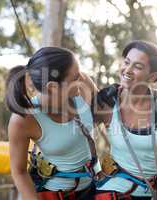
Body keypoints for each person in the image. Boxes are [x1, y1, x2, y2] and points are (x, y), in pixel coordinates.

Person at [6, 47, 104, 200]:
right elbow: (19, 171)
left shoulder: (82, 83)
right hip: (58, 194)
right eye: (75, 78)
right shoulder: (24, 119)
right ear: (52, 87)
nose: (82, 79)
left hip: (96, 186)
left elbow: (100, 118)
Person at [94, 40, 157, 200]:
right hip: (116, 192)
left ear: (152, 76)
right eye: (127, 62)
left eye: (137, 66)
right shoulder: (106, 104)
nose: (127, 70)